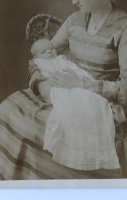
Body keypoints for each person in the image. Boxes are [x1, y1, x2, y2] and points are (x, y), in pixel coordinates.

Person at [0, 0, 127, 180]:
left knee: (38, 126)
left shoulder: (125, 29)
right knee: (9, 110)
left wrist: (84, 84)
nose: (73, 1)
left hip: (101, 106)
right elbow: (42, 57)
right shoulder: (75, 21)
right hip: (64, 92)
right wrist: (43, 85)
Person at [30, 38, 121, 170]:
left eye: (51, 49)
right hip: (57, 88)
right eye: (44, 52)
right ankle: (74, 153)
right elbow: (40, 77)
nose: (50, 52)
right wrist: (45, 83)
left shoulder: (62, 60)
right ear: (37, 57)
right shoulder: (39, 64)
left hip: (77, 85)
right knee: (70, 107)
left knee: (94, 101)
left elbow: (76, 70)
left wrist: (83, 79)